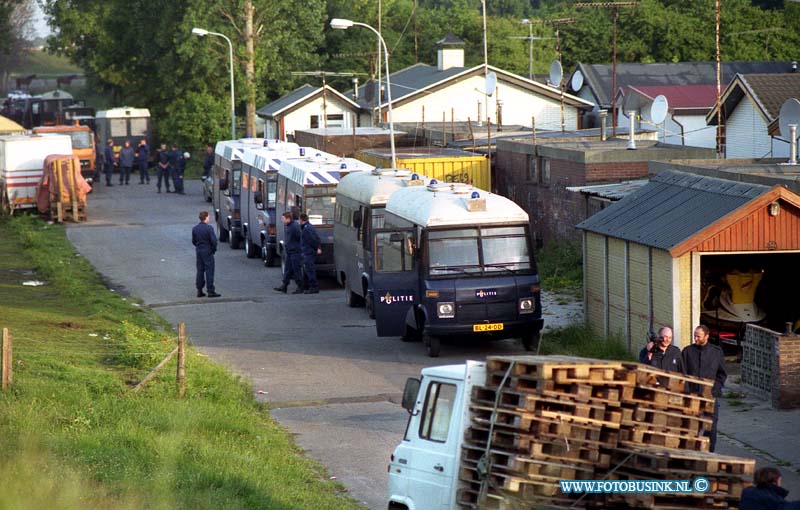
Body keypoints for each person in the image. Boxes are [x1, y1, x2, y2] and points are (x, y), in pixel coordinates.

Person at [682, 324, 727, 452]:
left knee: (711, 429)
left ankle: (709, 454)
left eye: (698, 336)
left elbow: (722, 374)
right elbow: (683, 373)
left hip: (710, 398)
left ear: (706, 336)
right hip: (693, 397)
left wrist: (715, 389)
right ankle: (690, 453)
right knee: (691, 427)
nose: (695, 338)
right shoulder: (687, 352)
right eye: (695, 336)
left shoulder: (716, 352)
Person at [192, 210, 220, 298]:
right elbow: (214, 241)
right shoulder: (209, 228)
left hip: (199, 250)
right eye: (208, 217)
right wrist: (213, 249)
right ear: (206, 217)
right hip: (207, 250)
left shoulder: (195, 228)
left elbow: (194, 241)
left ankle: (199, 290)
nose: (209, 218)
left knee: (200, 270)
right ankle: (210, 290)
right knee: (209, 270)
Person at [273, 212, 303, 294]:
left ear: (288, 218)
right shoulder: (289, 226)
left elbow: (300, 237)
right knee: (287, 269)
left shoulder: (294, 227)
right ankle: (284, 286)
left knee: (296, 270)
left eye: (283, 218)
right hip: (290, 252)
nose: (282, 220)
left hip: (295, 252)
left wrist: (297, 247)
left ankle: (300, 287)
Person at [299, 212, 322, 294]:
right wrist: (318, 247)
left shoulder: (306, 229)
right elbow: (317, 238)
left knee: (310, 270)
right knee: (307, 270)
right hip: (309, 251)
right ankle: (307, 286)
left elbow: (313, 240)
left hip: (308, 252)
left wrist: (317, 248)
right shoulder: (310, 227)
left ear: (301, 220)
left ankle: (314, 287)